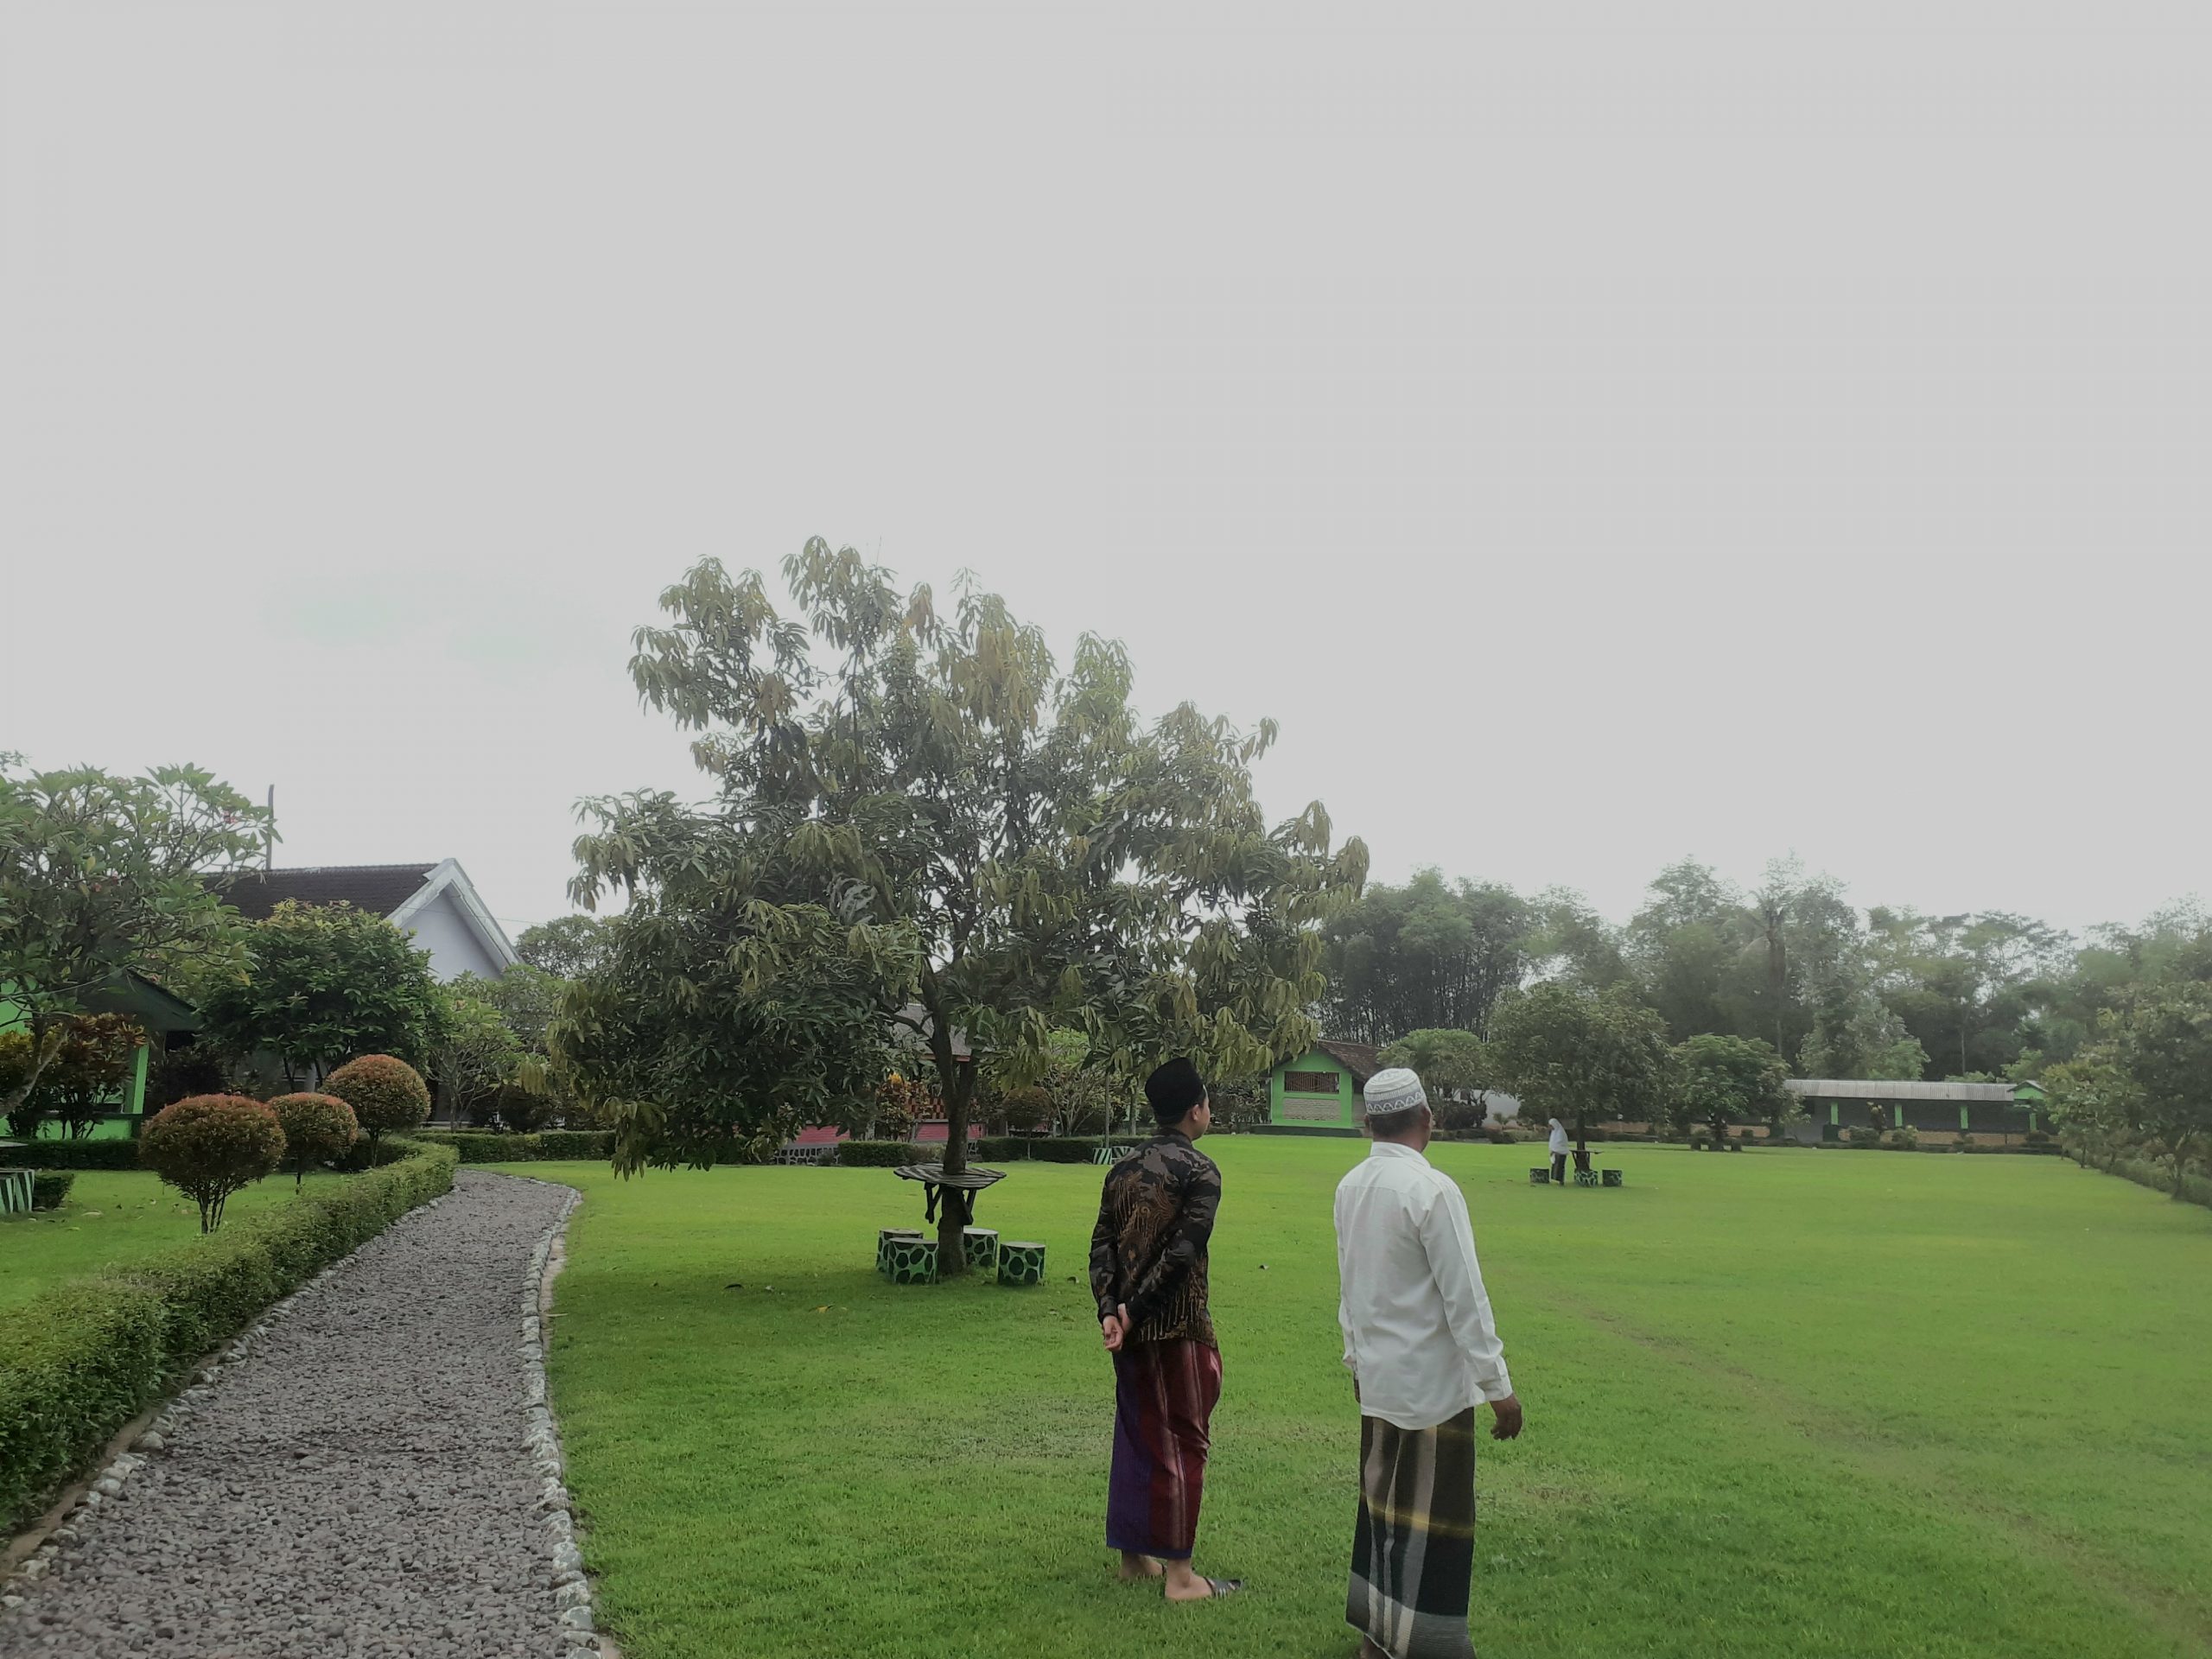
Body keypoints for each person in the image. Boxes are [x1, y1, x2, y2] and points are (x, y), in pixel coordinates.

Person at [1336, 1067, 1522, 1659]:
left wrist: (1355, 1358)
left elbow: (1351, 1289)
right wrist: (1500, 1388)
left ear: (1370, 1122)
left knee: (1383, 1513)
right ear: (1426, 1120)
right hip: (1433, 1390)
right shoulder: (1432, 1191)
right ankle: (1430, 1646)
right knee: (1434, 1525)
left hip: (1379, 1380)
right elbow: (1464, 1297)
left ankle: (1376, 1639)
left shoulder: (1351, 1186)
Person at [1088, 1057, 1243, 1601]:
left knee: (1137, 1436)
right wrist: (1136, 1309)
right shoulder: (1200, 1171)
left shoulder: (1121, 1169)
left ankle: (1136, 1560)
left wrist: (1112, 1309)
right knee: (1184, 1441)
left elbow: (1101, 1246)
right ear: (1196, 1109)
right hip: (1177, 1326)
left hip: (1128, 1332)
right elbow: (1183, 1253)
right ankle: (1181, 1577)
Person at [1548, 1116, 1570, 1185]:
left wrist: (1555, 1150)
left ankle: (1561, 1181)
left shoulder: (1561, 1132)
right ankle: (1557, 1179)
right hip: (1556, 1152)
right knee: (1556, 1167)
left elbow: (1560, 1142)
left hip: (1561, 1152)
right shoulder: (1554, 1132)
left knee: (1560, 1167)